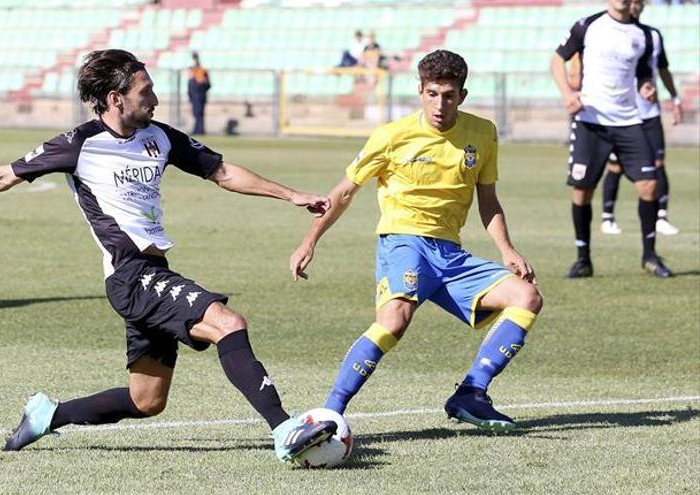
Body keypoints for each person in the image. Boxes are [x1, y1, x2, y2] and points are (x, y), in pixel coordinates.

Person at [0, 49, 336, 462]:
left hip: (151, 273)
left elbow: (221, 172)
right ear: (115, 98)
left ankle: (48, 414)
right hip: (129, 274)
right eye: (145, 92)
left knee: (147, 400)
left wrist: (291, 195)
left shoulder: (160, 137)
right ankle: (283, 430)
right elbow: (1, 177)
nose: (156, 99)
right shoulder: (78, 144)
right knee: (228, 323)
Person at [290, 50, 543, 431]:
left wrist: (507, 249)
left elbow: (487, 199)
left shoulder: (482, 133)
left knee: (526, 297)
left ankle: (471, 393)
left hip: (451, 254)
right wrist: (310, 240)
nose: (440, 104)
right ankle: (330, 411)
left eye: (449, 95)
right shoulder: (391, 136)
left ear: (463, 95)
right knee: (395, 320)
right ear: (420, 91)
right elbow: (344, 192)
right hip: (405, 242)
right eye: (432, 94)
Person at [550, 0, 672, 278]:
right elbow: (557, 59)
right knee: (582, 190)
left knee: (650, 186)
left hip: (629, 122)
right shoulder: (587, 26)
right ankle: (583, 259)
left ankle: (650, 256)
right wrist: (568, 93)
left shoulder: (642, 36)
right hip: (591, 121)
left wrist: (647, 87)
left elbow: (642, 77)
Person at [598, 0, 683, 236]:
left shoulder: (652, 36)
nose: (634, 6)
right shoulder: (608, 34)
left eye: (638, 2)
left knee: (658, 165)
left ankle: (661, 216)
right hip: (622, 116)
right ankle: (608, 217)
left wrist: (674, 98)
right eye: (631, 2)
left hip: (649, 113)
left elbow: (663, 69)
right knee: (615, 166)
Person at [187, 52, 210, 135]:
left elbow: (207, 84)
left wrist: (200, 91)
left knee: (199, 113)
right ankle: (198, 129)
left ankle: (199, 130)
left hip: (199, 95)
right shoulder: (193, 72)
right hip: (196, 95)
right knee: (197, 113)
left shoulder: (200, 71)